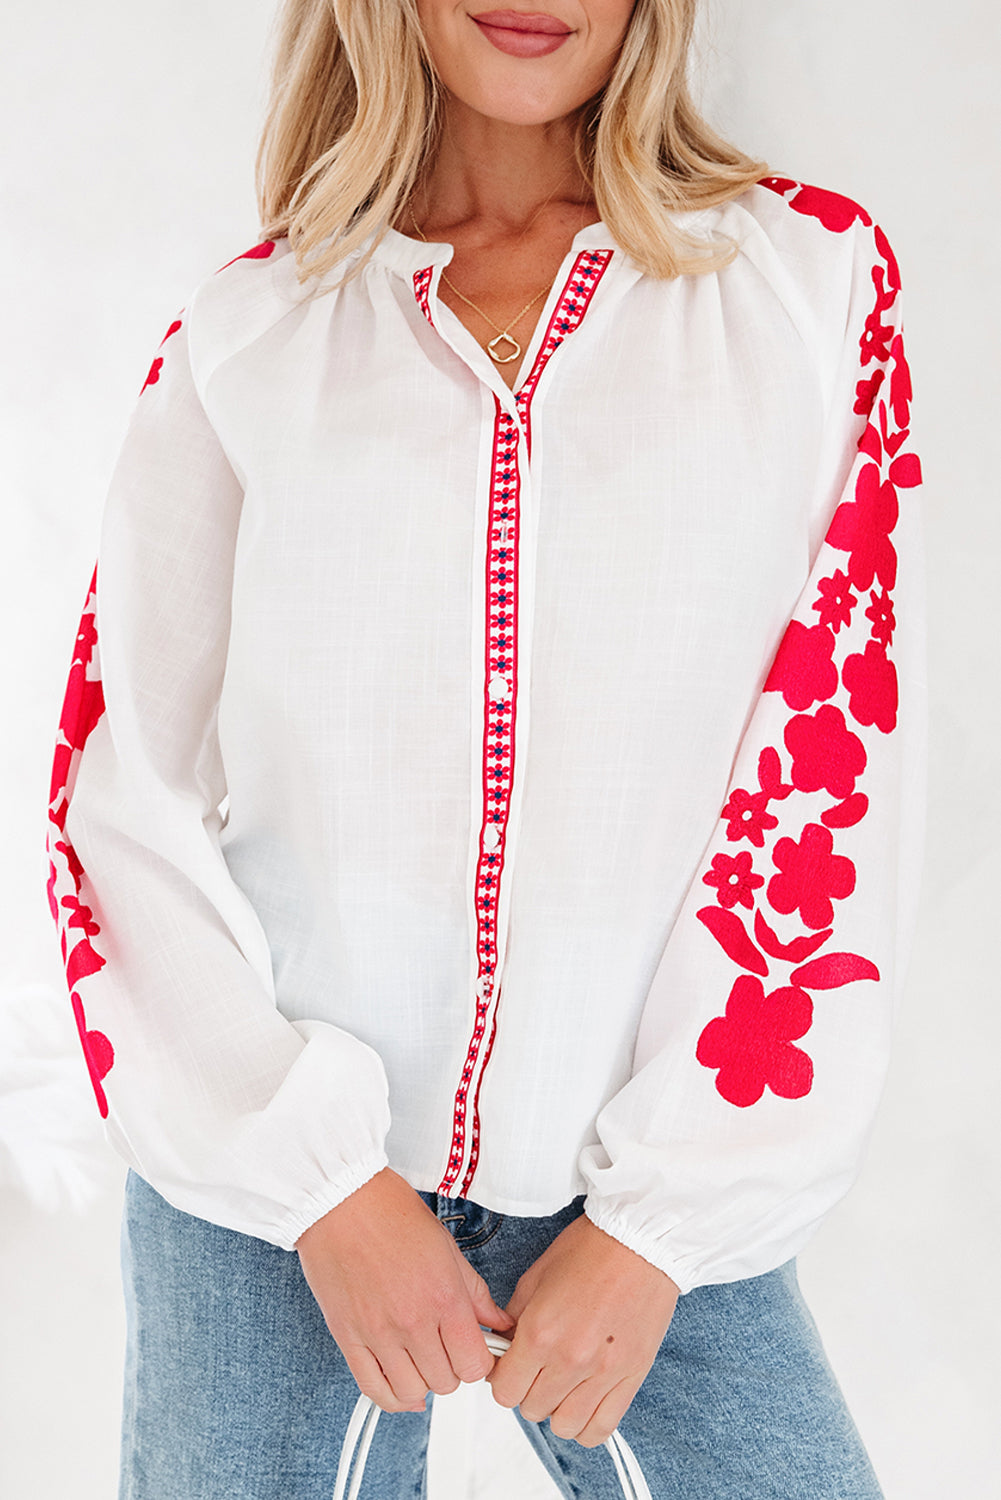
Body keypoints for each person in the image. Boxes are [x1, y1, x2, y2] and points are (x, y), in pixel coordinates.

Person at [46, 1, 924, 1496]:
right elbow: (119, 782)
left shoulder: (806, 280)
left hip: (642, 1179)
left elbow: (836, 758)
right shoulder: (252, 329)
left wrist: (661, 1222)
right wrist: (318, 1183)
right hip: (277, 1183)